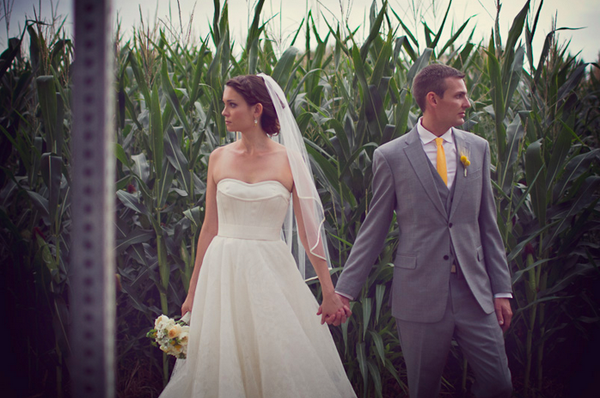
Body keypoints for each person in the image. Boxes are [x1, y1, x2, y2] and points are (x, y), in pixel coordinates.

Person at [158, 74, 356, 398]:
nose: (224, 112)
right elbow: (209, 227)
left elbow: (307, 231)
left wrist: (329, 290)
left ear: (257, 110)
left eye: (232, 105)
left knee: (275, 359)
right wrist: (193, 290)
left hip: (270, 272)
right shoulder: (218, 158)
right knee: (222, 363)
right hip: (221, 274)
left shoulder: (289, 160)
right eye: (224, 104)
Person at [332, 64, 513, 397]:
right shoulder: (391, 156)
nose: (467, 103)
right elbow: (374, 229)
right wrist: (343, 292)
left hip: (475, 292)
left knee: (500, 384)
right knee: (423, 390)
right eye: (459, 95)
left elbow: (489, 224)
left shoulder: (477, 147)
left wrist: (502, 289)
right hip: (419, 294)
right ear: (433, 99)